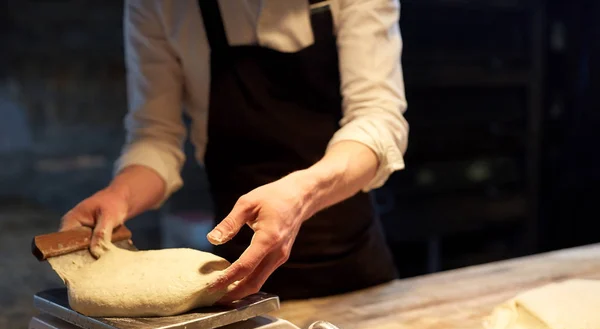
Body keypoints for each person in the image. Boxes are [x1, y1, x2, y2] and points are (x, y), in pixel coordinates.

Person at [61, 0, 409, 302]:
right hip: (234, 274)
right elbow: (157, 136)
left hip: (352, 264)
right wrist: (119, 196)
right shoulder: (160, 6)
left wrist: (302, 194)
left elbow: (377, 119)